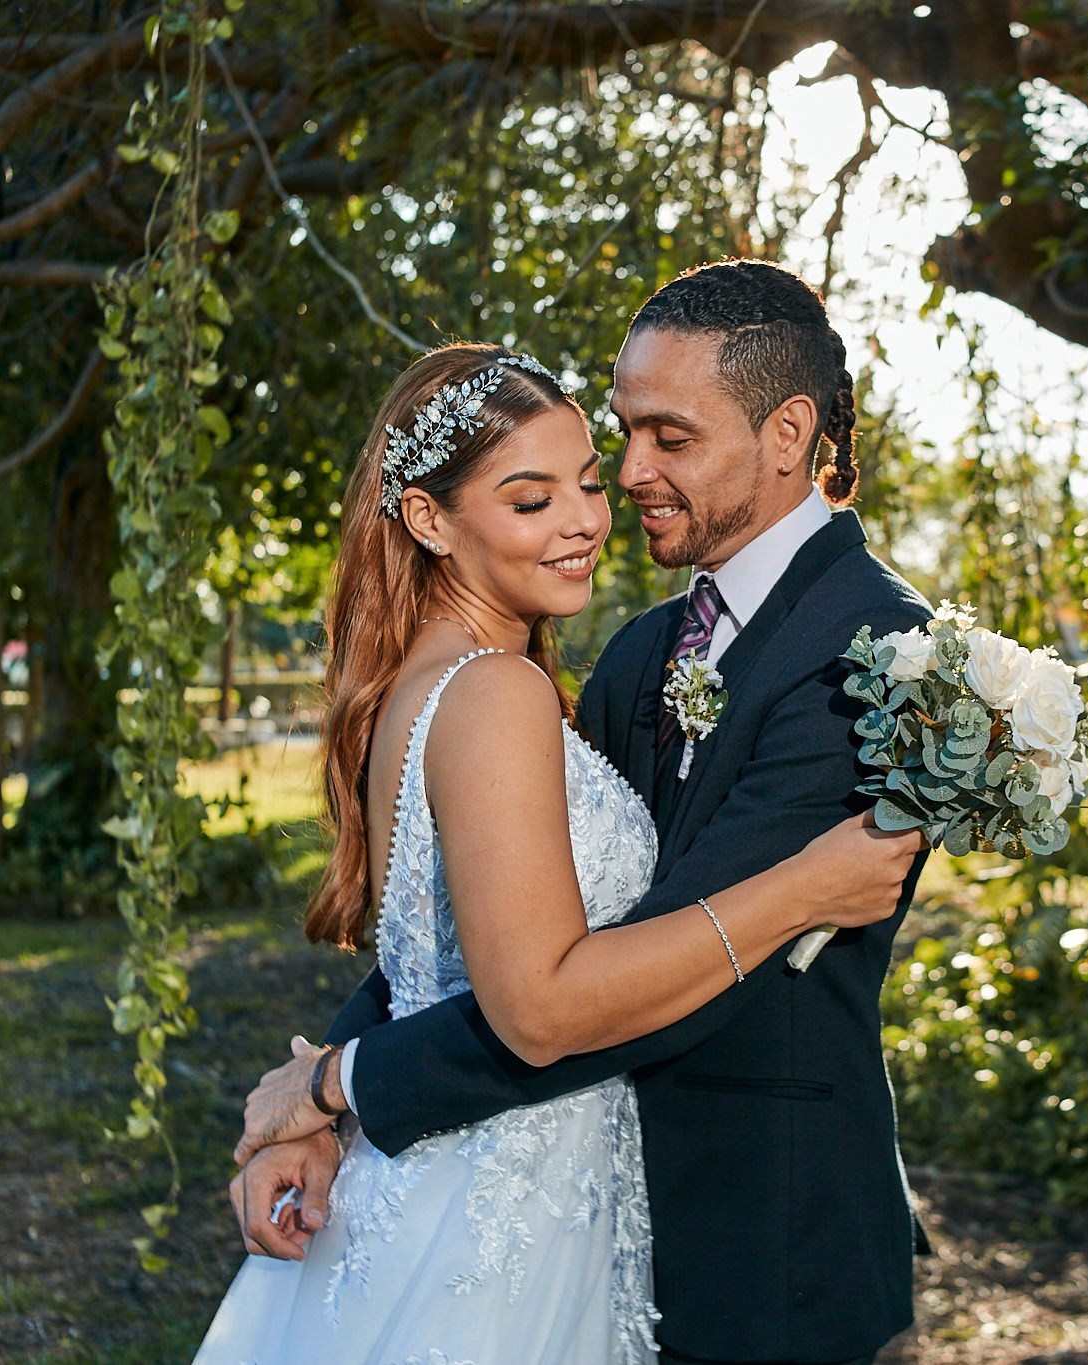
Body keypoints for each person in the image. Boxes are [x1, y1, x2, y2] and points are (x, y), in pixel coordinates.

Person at [193, 330, 924, 1365]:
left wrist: (339, 1091)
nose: (613, 494)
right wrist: (334, 1092)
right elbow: (510, 972)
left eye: (661, 439)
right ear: (428, 520)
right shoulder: (594, 663)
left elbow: (588, 975)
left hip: (758, 1233)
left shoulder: (878, 658)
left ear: (786, 432)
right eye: (611, 447)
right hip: (521, 1216)